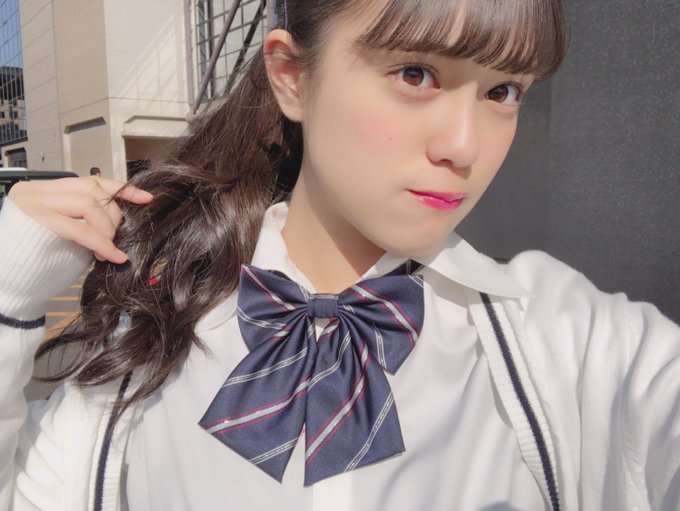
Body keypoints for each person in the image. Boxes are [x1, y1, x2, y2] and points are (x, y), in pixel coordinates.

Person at [0, 0, 678, 509]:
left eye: (503, 91)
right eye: (416, 73)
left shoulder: (560, 341)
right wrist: (8, 295)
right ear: (292, 76)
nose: (465, 146)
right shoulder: (154, 335)